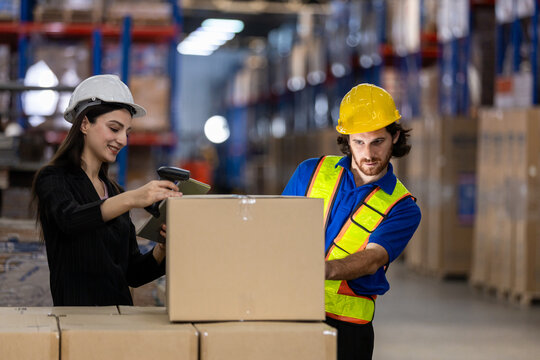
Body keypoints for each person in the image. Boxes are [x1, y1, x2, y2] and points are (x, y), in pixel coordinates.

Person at [282, 83, 421, 360]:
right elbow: (276, 230)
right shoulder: (310, 172)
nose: (368, 154)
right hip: (290, 312)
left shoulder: (402, 206)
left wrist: (321, 269)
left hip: (347, 330)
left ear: (394, 136)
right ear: (347, 140)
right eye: (359, 142)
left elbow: (372, 259)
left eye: (377, 142)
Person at [31, 74, 181, 306]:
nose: (122, 140)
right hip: (76, 324)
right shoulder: (53, 178)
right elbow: (70, 220)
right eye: (114, 128)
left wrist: (161, 249)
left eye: (127, 132)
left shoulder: (114, 192)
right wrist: (134, 198)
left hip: (117, 325)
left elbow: (133, 274)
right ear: (84, 124)